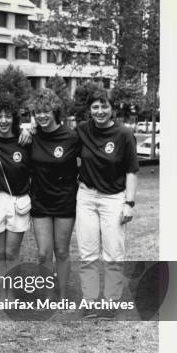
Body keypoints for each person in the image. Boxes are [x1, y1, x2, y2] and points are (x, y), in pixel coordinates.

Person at [75, 87, 139, 318]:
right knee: (88, 252)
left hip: (114, 198)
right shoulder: (82, 130)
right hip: (86, 197)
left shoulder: (124, 134)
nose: (100, 111)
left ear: (112, 109)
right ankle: (90, 300)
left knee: (113, 252)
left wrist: (128, 203)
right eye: (95, 107)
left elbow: (131, 171)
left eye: (104, 106)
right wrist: (31, 127)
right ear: (89, 110)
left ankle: (112, 302)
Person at [28, 88, 80, 298]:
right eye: (37, 112)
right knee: (43, 254)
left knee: (61, 252)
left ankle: (63, 294)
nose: (41, 115)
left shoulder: (71, 137)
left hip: (65, 202)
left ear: (54, 111)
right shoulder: (32, 136)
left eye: (45, 111)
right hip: (40, 201)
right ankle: (48, 295)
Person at [0, 92, 32, 297]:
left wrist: (31, 129)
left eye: (8, 116)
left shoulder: (25, 141)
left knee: (11, 253)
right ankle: (1, 295)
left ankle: (11, 295)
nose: (3, 120)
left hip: (18, 201)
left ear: (14, 117)